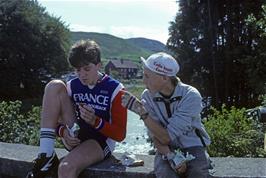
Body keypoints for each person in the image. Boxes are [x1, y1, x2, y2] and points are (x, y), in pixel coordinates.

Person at [26, 39, 127, 178]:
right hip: (76, 135)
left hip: (99, 141)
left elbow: (120, 135)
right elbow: (52, 120)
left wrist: (95, 121)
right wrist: (63, 133)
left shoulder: (116, 89)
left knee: (65, 169)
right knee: (54, 85)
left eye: (87, 69)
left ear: (99, 65)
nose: (82, 75)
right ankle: (46, 155)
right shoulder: (72, 86)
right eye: (77, 70)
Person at [122, 52, 211, 178]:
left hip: (193, 146)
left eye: (147, 76)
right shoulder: (147, 96)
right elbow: (156, 136)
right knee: (165, 174)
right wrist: (171, 156)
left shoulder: (190, 96)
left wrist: (142, 112)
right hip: (165, 148)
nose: (143, 80)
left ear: (164, 78)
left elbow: (166, 137)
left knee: (198, 173)